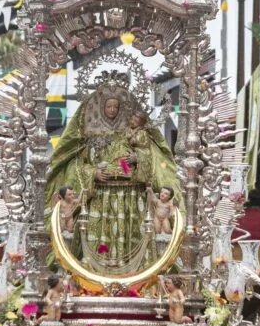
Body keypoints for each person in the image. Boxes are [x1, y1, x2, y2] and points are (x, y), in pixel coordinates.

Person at [44, 78, 183, 268]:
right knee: (100, 242)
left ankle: (131, 270)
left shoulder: (134, 133)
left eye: (116, 107)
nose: (112, 110)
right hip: (99, 197)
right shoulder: (89, 133)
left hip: (130, 198)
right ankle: (94, 267)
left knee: (129, 238)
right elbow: (75, 163)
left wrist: (136, 159)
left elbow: (152, 158)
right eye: (108, 106)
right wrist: (92, 173)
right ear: (100, 107)